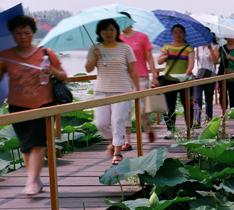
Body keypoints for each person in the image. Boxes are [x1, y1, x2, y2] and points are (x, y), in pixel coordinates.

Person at [0, 15, 67, 196]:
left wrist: (53, 71)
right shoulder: (6, 55)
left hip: (43, 104)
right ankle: (36, 178)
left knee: (38, 144)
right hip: (17, 106)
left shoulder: (46, 53)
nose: (23, 36)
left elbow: (64, 76)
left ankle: (31, 181)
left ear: (33, 33)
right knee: (25, 146)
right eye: (18, 33)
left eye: (26, 32)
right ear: (12, 34)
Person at [84, 18, 141, 165]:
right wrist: (95, 56)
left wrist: (138, 90)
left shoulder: (125, 48)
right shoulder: (94, 48)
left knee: (117, 120)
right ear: (99, 32)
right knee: (101, 123)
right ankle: (113, 140)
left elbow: (133, 71)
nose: (108, 32)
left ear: (116, 31)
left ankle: (117, 152)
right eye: (105, 29)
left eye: (111, 29)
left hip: (122, 90)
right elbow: (88, 69)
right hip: (101, 91)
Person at [118, 15, 156, 147]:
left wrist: (154, 76)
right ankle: (127, 140)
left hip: (141, 77)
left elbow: (150, 58)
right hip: (124, 78)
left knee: (143, 108)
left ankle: (148, 127)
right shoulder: (118, 40)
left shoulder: (142, 37)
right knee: (125, 109)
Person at [156, 24, 195, 137]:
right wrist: (164, 56)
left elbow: (191, 63)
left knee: (187, 104)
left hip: (185, 79)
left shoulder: (189, 48)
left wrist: (188, 71)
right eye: (175, 32)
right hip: (169, 79)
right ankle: (170, 129)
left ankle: (190, 127)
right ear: (172, 34)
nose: (178, 34)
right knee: (169, 105)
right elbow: (159, 61)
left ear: (184, 33)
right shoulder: (166, 47)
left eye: (180, 32)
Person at [191, 34, 219, 125]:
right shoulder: (196, 46)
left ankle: (208, 119)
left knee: (208, 98)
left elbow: (215, 60)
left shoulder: (214, 46)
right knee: (197, 98)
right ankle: (197, 120)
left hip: (209, 75)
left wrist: (210, 48)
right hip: (197, 74)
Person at [218, 36, 234, 110]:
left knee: (233, 93)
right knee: (222, 93)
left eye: (232, 37)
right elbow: (216, 58)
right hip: (222, 73)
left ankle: (233, 110)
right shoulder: (222, 48)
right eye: (228, 37)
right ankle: (223, 110)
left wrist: (231, 57)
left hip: (233, 73)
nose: (230, 39)